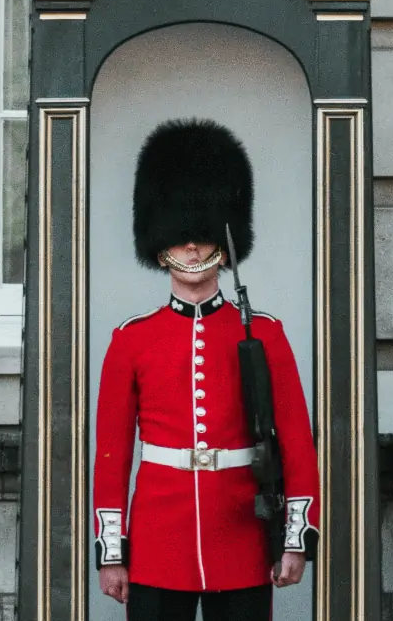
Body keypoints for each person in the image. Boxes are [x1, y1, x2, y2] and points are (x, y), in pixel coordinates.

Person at [93, 118, 320, 621]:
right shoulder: (131, 340)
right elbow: (112, 456)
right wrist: (113, 551)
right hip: (158, 543)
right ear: (160, 246)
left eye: (200, 235)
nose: (191, 247)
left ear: (224, 241)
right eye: (179, 238)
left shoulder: (264, 334)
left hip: (239, 537)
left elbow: (297, 444)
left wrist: (295, 536)